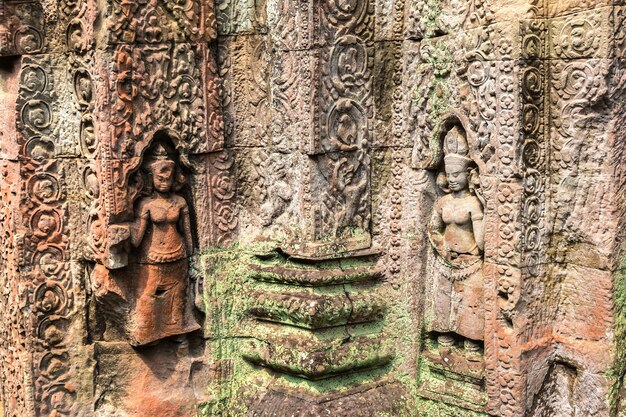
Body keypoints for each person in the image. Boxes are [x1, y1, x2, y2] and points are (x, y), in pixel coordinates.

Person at [129, 142, 200, 346]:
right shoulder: (146, 204)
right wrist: (122, 235)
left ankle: (179, 335)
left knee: (178, 297)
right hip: (153, 257)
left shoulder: (179, 202)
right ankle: (146, 334)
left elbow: (187, 232)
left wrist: (192, 255)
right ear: (151, 178)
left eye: (168, 179)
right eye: (160, 178)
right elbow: (137, 239)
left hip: (177, 255)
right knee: (148, 296)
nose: (164, 182)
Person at [427, 126, 484, 353]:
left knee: (470, 306)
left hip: (470, 262)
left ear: (467, 175)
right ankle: (445, 338)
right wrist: (442, 248)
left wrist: (484, 206)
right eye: (449, 175)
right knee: (443, 302)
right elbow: (433, 228)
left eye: (457, 175)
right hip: (446, 261)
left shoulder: (473, 204)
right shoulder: (443, 202)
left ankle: (471, 342)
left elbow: (481, 243)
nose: (451, 179)